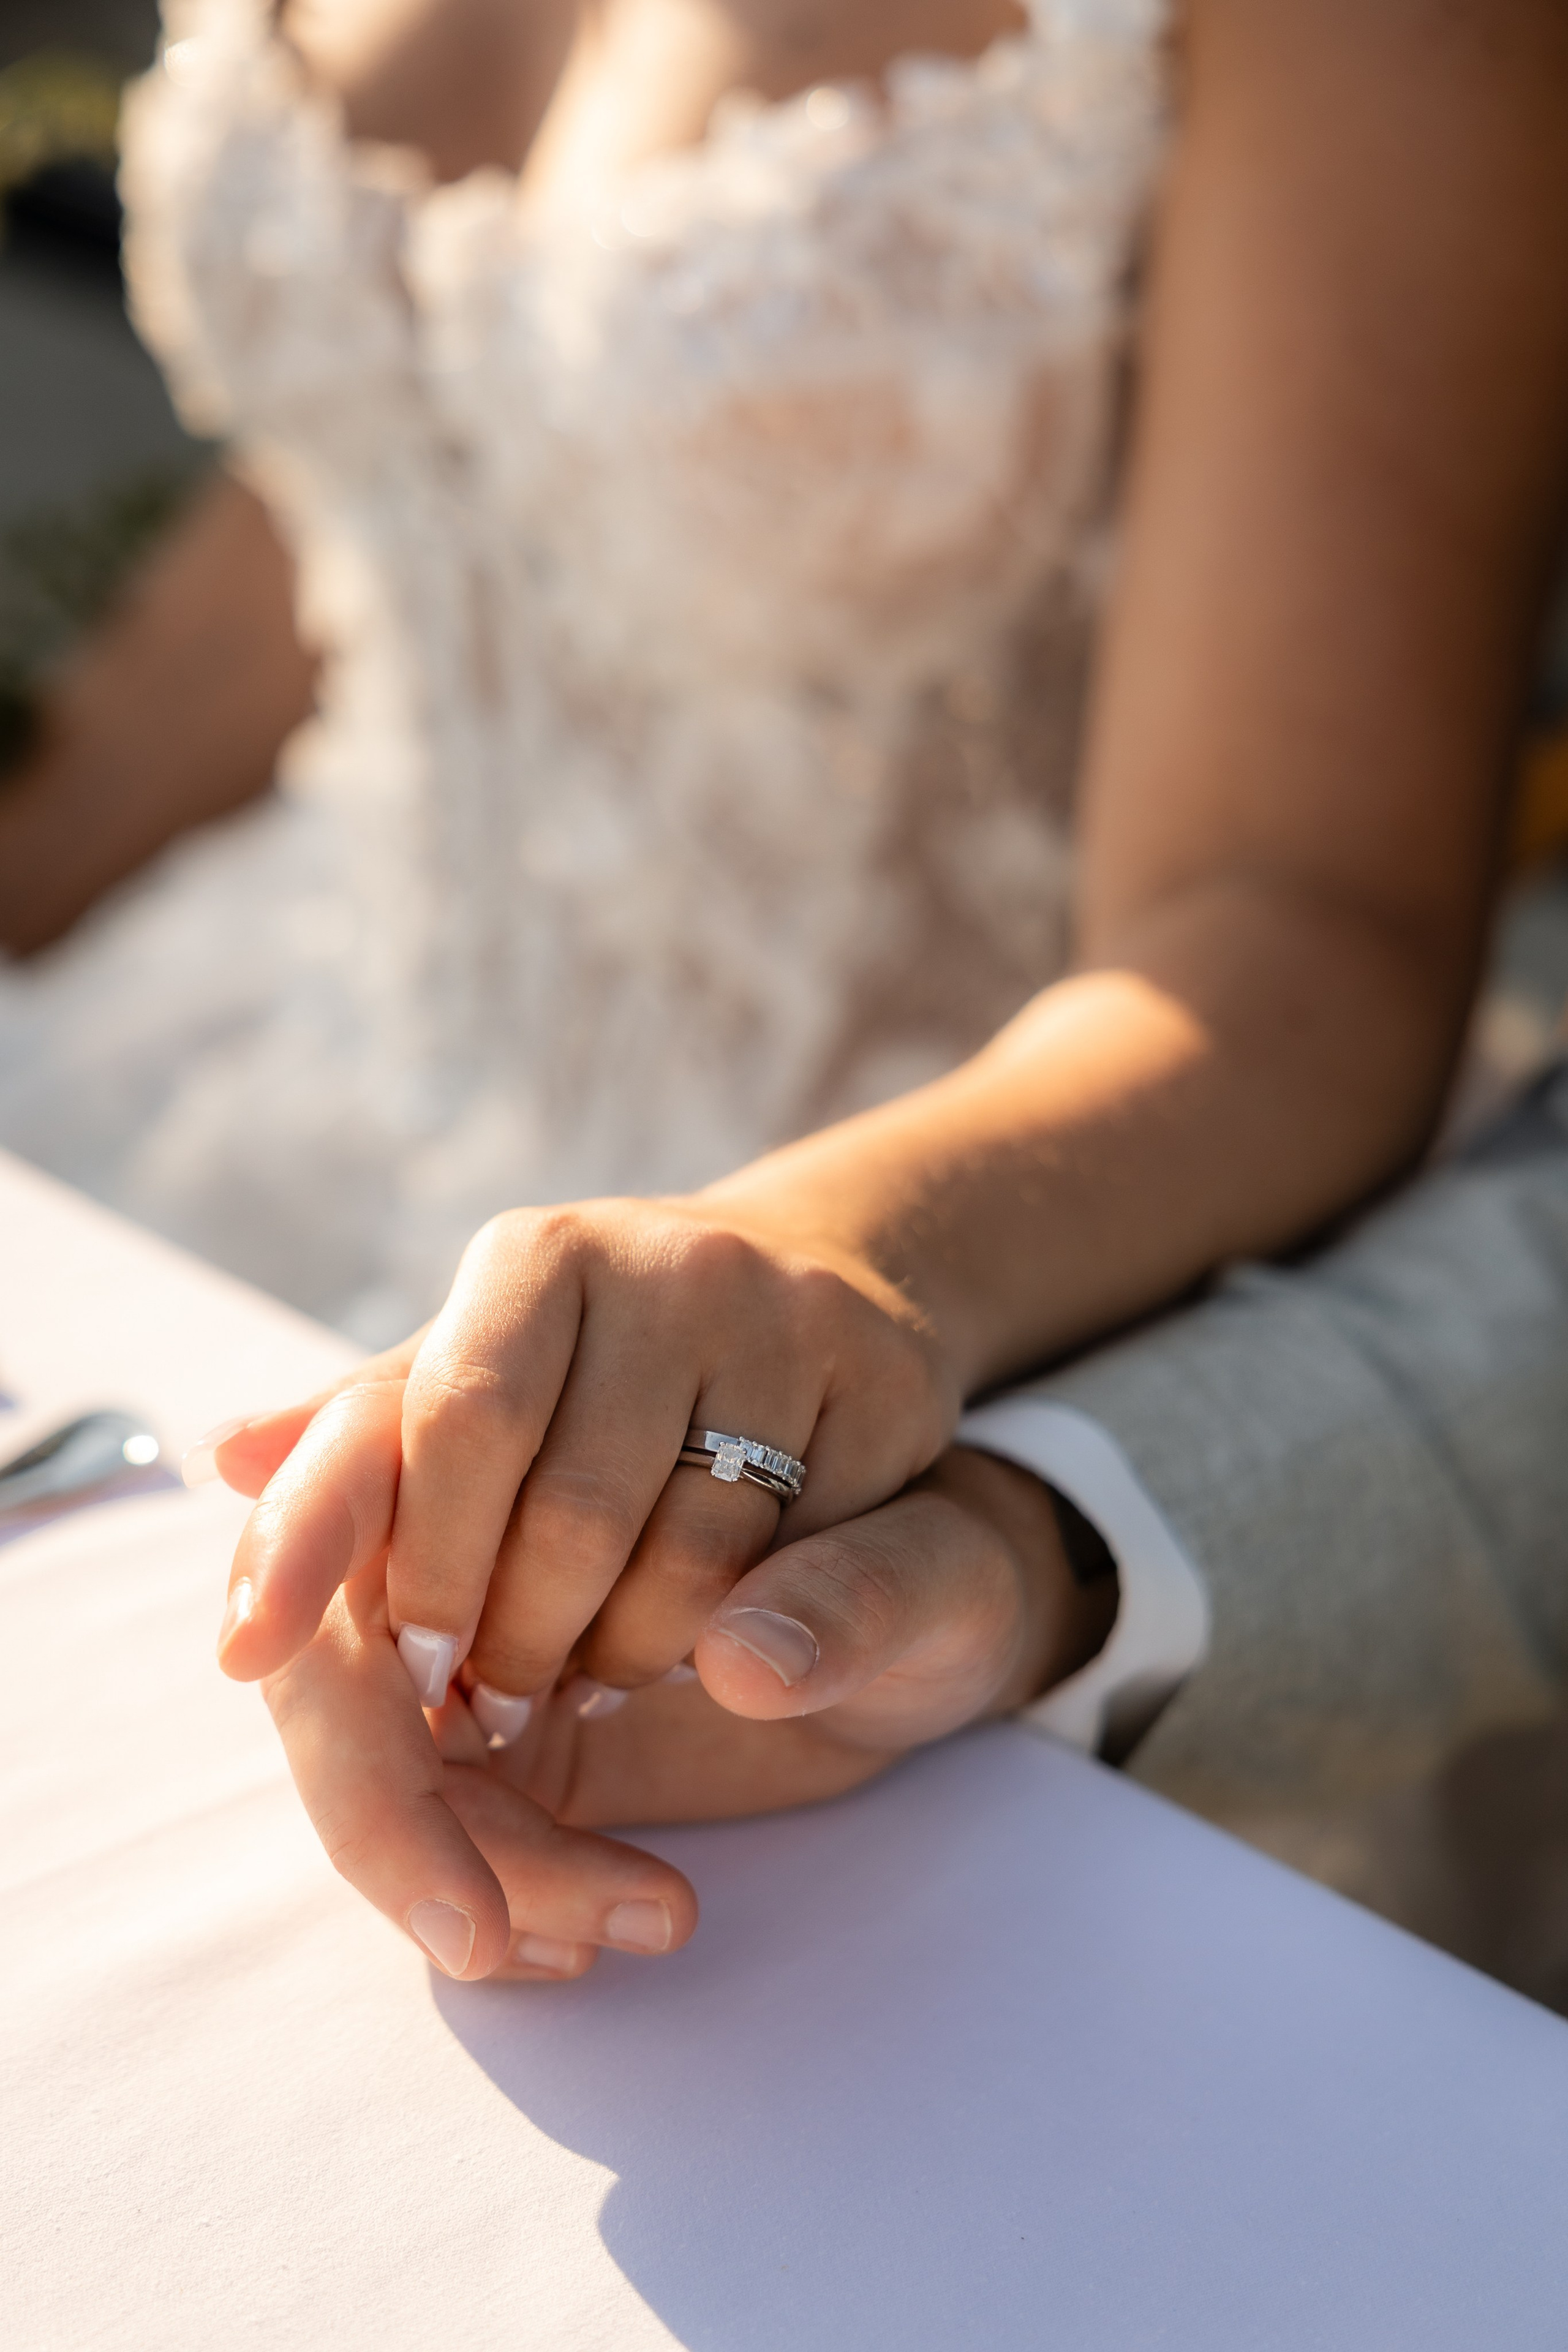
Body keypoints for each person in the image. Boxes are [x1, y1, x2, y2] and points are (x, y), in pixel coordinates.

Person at [15, 1, 1568, 1973]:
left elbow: (1302, 917)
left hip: (912, 1261)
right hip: (207, 1081)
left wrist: (810, 1260)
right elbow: (377, 466)